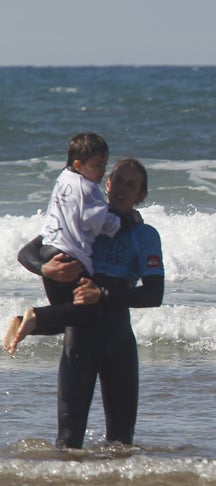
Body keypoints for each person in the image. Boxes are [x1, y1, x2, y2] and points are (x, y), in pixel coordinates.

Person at [14, 158, 164, 448]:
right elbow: (28, 252)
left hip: (118, 342)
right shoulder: (80, 223)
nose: (122, 188)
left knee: (121, 444)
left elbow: (153, 295)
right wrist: (46, 269)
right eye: (118, 180)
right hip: (79, 341)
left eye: (131, 184)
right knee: (68, 441)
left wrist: (104, 294)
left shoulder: (145, 235)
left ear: (141, 196)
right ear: (106, 183)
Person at [4, 133, 128, 354]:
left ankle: (24, 321)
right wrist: (123, 221)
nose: (102, 171)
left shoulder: (63, 178)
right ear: (79, 164)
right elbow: (100, 222)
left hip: (49, 251)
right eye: (97, 165)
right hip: (70, 258)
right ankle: (36, 315)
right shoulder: (89, 189)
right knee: (92, 312)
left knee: (66, 316)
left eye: (104, 165)